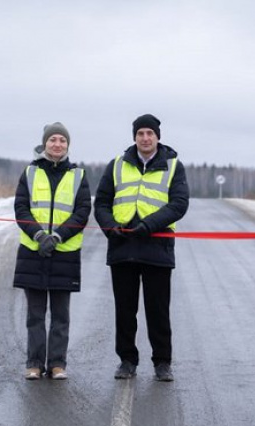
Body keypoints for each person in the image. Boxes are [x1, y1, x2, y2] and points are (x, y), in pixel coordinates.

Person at [94, 114, 189, 382]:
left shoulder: (173, 166)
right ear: (134, 137)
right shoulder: (116, 165)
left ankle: (162, 362)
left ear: (158, 136)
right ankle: (127, 360)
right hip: (122, 247)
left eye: (150, 133)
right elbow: (101, 202)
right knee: (125, 309)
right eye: (140, 134)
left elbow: (179, 204)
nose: (145, 138)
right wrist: (109, 227)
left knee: (158, 309)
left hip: (156, 246)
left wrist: (149, 224)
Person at [13, 122, 91, 380]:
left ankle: (57, 363)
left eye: (62, 140)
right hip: (33, 251)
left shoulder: (78, 175)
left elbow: (82, 212)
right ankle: (34, 362)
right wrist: (38, 234)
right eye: (52, 140)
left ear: (68, 145)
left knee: (61, 315)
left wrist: (57, 236)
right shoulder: (29, 172)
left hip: (64, 253)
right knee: (35, 314)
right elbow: (21, 208)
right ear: (44, 143)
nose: (57, 144)